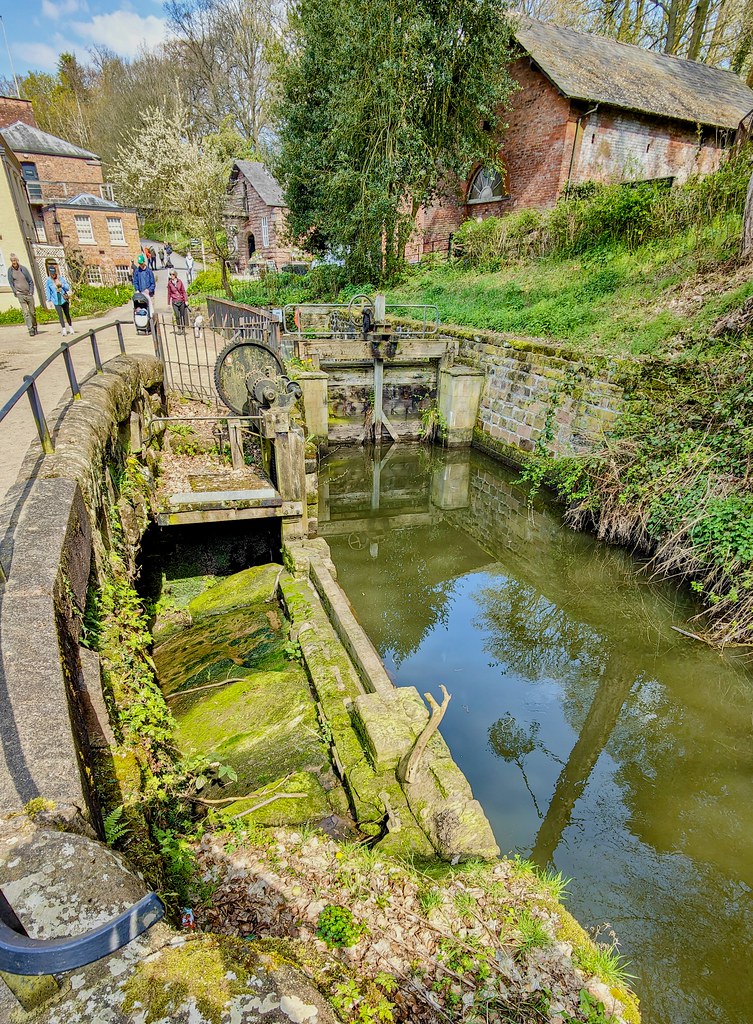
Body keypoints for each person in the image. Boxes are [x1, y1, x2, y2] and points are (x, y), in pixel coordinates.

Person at [7, 253, 37, 336]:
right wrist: (15, 291)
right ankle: (30, 329)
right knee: (26, 313)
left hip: (28, 293)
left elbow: (30, 281)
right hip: (20, 294)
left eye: (15, 260)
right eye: (12, 261)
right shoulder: (10, 271)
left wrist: (31, 292)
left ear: (17, 260)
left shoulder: (23, 269)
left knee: (32, 312)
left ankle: (34, 326)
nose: (14, 262)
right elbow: (11, 282)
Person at [45, 265, 74, 335]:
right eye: (52, 274)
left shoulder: (61, 278)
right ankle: (63, 329)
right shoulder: (48, 281)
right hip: (56, 300)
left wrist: (62, 285)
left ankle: (70, 327)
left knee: (67, 314)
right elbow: (48, 291)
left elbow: (67, 287)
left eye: (54, 274)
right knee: (60, 315)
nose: (53, 275)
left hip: (63, 298)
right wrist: (49, 300)